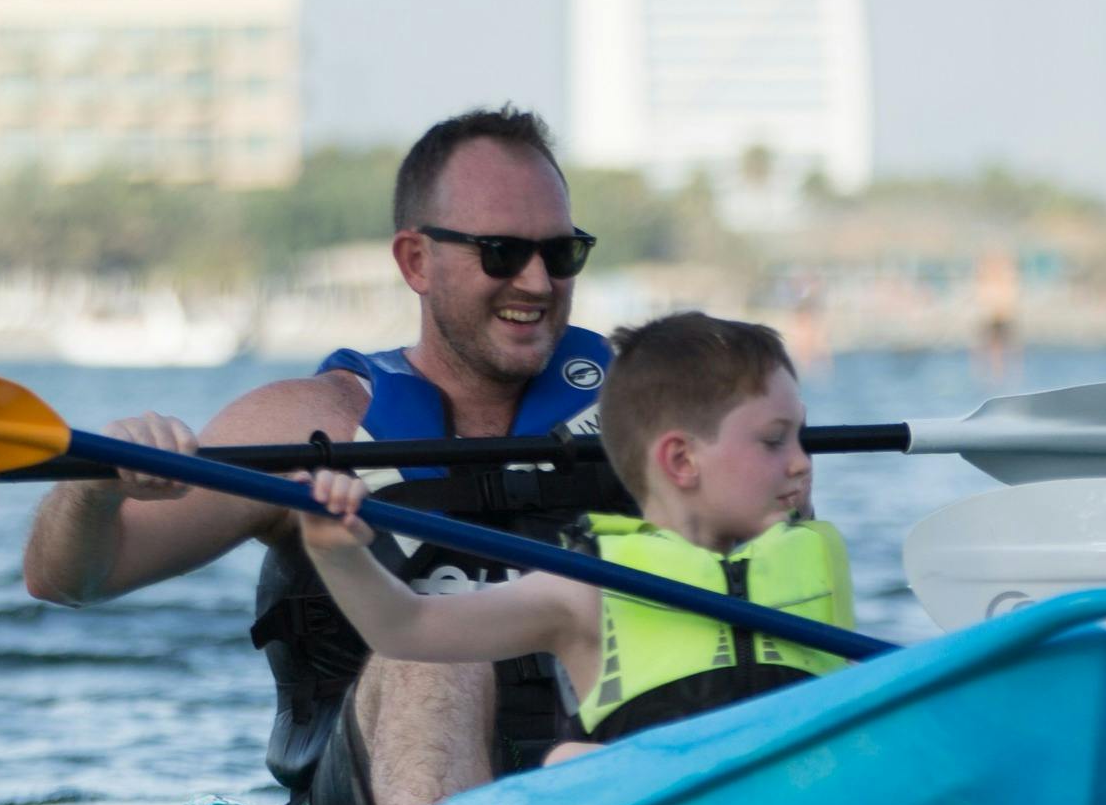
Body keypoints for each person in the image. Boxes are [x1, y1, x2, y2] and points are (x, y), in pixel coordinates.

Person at [21, 105, 615, 805]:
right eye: (501, 253)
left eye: (560, 254)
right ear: (415, 261)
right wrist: (95, 492)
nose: (537, 283)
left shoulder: (644, 418)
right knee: (435, 655)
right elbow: (67, 579)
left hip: (597, 798)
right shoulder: (308, 424)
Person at [282, 310, 854, 753]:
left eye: (801, 438)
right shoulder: (585, 591)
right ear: (681, 461)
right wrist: (338, 554)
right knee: (569, 762)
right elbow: (408, 628)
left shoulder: (810, 564)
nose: (802, 462)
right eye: (775, 440)